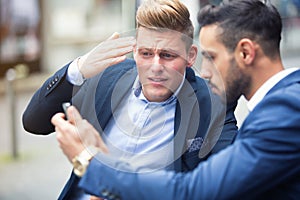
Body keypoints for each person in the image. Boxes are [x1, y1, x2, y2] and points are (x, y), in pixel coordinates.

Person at [51, 0, 300, 199]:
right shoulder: (283, 103)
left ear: (245, 52)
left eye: (211, 57)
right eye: (146, 53)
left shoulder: (284, 111)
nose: (205, 71)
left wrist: (88, 161)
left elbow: (195, 191)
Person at [22, 0, 237, 199]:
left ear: (190, 56)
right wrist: (76, 70)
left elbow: (224, 187)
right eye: (145, 54)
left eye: (167, 55)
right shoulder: (108, 77)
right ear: (134, 51)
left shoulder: (212, 104)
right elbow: (33, 122)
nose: (155, 67)